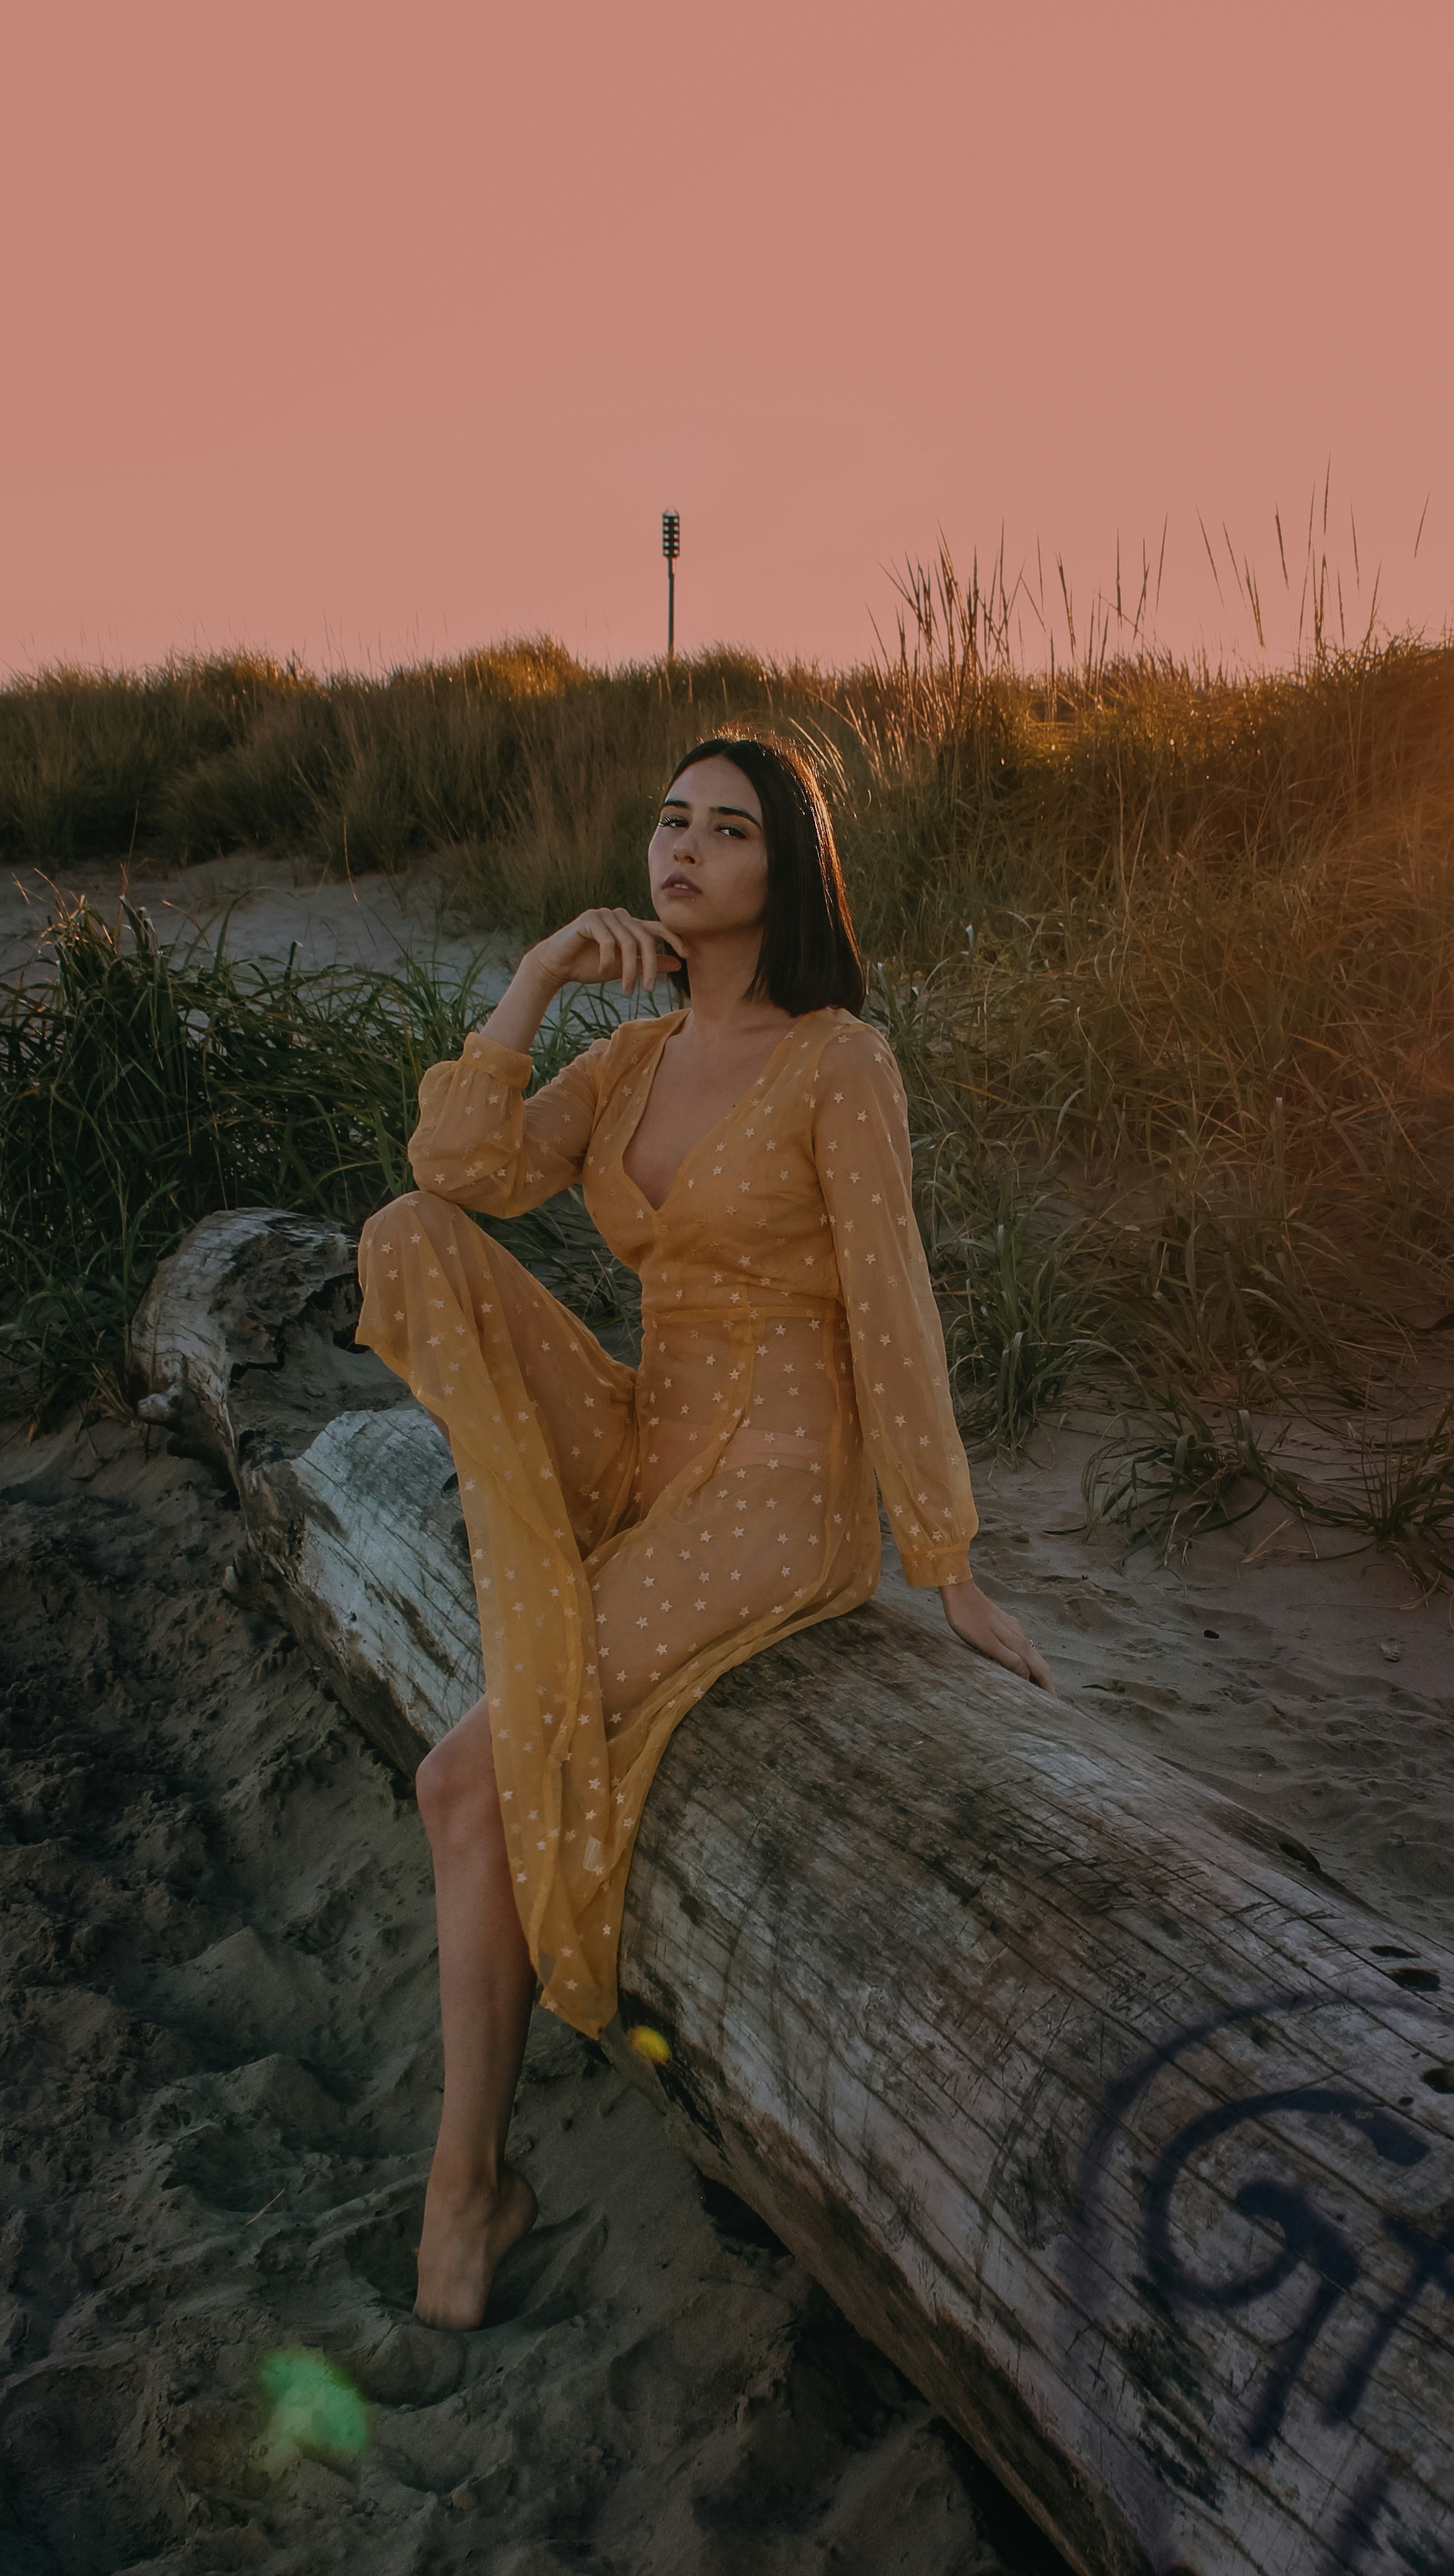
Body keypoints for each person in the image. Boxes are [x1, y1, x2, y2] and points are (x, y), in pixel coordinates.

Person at [354, 731, 1056, 2326]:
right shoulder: (627, 1062)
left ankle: (465, 2196)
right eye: (671, 821)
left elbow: (894, 1303)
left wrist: (946, 1564)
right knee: (405, 1235)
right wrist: (536, 977)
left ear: (786, 870)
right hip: (645, 1447)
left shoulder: (838, 1062)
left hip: (779, 1494)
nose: (683, 849)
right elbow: (456, 1167)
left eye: (728, 830)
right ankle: (473, 2184)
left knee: (465, 1777)